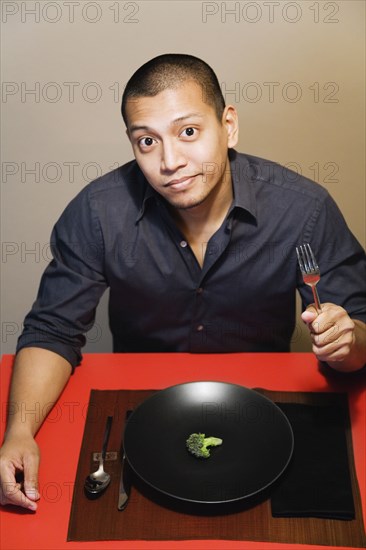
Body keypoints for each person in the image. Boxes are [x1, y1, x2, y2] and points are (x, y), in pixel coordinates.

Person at [1, 54, 365, 512]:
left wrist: (348, 342)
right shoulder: (97, 212)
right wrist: (18, 431)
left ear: (228, 125)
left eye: (188, 132)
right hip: (140, 410)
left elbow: (361, 337)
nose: (169, 162)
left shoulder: (304, 208)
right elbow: (52, 330)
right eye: (147, 141)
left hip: (262, 408)